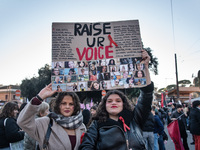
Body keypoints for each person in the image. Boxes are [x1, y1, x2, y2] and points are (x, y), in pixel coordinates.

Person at [79, 50, 154, 150]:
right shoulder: (96, 125)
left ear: (124, 104)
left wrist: (145, 68)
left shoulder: (134, 119)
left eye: (118, 101)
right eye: (109, 101)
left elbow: (147, 95)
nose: (114, 102)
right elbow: (86, 146)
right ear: (104, 105)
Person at [17, 84, 86, 150]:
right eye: (63, 103)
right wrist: (39, 97)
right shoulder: (45, 123)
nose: (67, 107)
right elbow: (23, 122)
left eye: (71, 104)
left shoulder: (81, 126)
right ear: (58, 105)